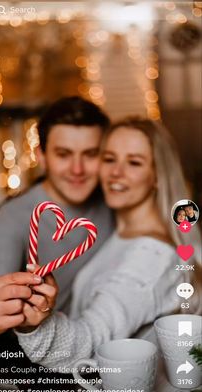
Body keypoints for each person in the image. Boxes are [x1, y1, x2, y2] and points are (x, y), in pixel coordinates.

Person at [14, 116, 201, 371]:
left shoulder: (151, 256)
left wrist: (34, 325)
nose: (115, 172)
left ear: (157, 175)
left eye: (134, 162)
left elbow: (90, 344)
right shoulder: (120, 233)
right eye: (109, 158)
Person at [0, 96, 114, 337]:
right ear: (41, 156)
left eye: (90, 154)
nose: (77, 169)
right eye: (63, 154)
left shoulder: (115, 200)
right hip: (40, 352)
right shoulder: (13, 217)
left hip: (100, 337)